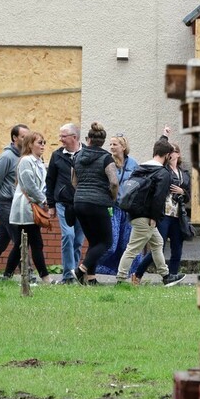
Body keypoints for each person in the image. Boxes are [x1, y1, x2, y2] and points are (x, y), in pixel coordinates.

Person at [115, 137, 185, 287]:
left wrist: (164, 137)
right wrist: (154, 217)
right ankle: (120, 280)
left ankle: (166, 276)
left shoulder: (141, 168)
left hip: (134, 213)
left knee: (158, 243)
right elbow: (158, 198)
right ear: (167, 155)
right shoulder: (163, 173)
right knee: (132, 249)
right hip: (147, 217)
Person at [133, 130, 191, 285]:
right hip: (164, 213)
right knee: (159, 246)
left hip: (178, 215)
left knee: (177, 248)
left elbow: (189, 196)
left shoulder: (184, 173)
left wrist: (182, 192)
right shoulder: (163, 170)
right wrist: (164, 135)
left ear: (178, 154)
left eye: (174, 151)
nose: (171, 154)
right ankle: (137, 274)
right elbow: (159, 149)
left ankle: (172, 277)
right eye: (169, 151)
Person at [71, 122, 119, 285]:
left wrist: (83, 193)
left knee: (94, 241)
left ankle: (90, 278)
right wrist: (112, 198)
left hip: (79, 203)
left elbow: (73, 181)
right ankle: (81, 270)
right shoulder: (106, 158)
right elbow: (114, 182)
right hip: (98, 204)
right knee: (106, 242)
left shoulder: (77, 156)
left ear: (88, 139)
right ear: (103, 141)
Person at [3, 131, 52, 283]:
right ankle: (45, 277)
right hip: (26, 207)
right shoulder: (26, 161)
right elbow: (29, 184)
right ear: (30, 145)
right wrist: (43, 200)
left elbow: (41, 185)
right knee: (36, 243)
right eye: (39, 142)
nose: (43, 145)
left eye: (44, 142)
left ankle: (7, 275)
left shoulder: (39, 162)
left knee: (21, 244)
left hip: (33, 206)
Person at [96, 134, 141, 276]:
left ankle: (131, 275)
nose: (111, 147)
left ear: (123, 147)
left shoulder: (133, 164)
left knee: (128, 244)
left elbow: (138, 184)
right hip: (112, 208)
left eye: (115, 144)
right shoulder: (108, 161)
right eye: (110, 144)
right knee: (111, 244)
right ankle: (90, 267)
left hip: (128, 210)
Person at [46, 123, 85, 284]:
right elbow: (50, 180)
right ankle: (68, 275)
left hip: (82, 204)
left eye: (63, 136)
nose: (60, 139)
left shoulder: (86, 154)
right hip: (63, 203)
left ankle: (74, 272)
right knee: (68, 236)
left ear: (74, 137)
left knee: (78, 241)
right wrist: (51, 205)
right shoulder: (57, 155)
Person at [0, 123, 28, 267]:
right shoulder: (7, 157)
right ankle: (27, 273)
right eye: (23, 137)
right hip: (5, 203)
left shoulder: (24, 157)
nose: (26, 140)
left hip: (17, 203)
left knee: (0, 243)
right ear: (14, 138)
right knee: (20, 240)